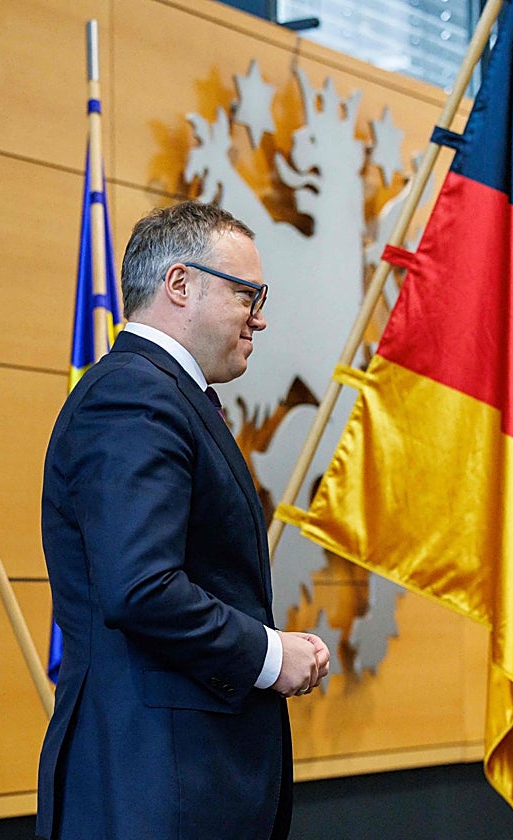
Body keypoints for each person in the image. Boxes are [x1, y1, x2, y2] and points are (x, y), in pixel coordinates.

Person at [36, 201, 331, 840]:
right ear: (179, 285)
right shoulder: (134, 396)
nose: (260, 318)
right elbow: (141, 588)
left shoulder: (164, 394)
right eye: (247, 294)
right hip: (152, 787)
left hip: (174, 782)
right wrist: (270, 654)